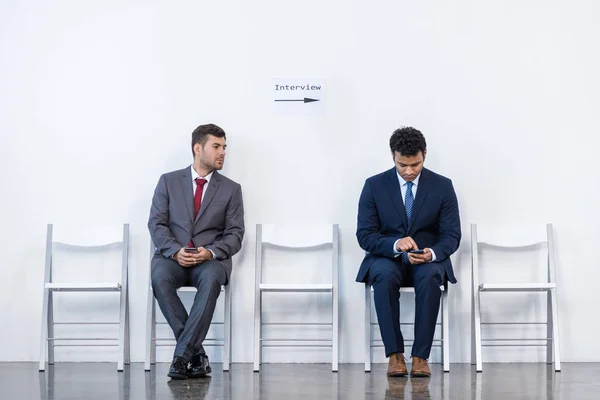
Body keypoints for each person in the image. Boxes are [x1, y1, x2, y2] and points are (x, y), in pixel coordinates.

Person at [356, 127, 461, 377]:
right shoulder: (374, 186)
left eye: (415, 164)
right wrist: (394, 244)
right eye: (403, 164)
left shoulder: (443, 186)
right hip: (387, 259)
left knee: (431, 275)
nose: (409, 171)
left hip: (426, 261)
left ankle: (420, 356)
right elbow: (365, 235)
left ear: (425, 154)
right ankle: (395, 355)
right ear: (392, 156)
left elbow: (452, 235)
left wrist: (433, 253)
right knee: (382, 275)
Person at [148, 123, 244, 379]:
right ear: (197, 148)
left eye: (224, 147)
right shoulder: (168, 181)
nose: (223, 152)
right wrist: (174, 250)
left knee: (212, 278)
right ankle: (196, 355)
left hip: (209, 260)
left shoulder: (231, 189)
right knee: (159, 278)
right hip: (172, 257)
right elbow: (156, 224)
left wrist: (210, 252)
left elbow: (235, 235)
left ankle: (181, 356)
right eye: (216, 146)